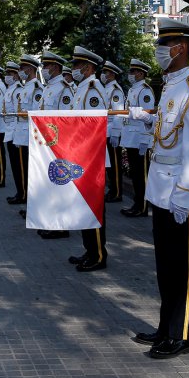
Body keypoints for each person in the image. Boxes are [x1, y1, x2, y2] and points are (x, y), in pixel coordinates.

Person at [129, 18, 189, 359]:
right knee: (165, 265)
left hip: (181, 195)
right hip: (161, 190)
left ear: (180, 48)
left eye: (164, 46)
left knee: (182, 268)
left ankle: (180, 336)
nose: (159, 52)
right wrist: (148, 118)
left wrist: (184, 195)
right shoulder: (170, 87)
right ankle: (165, 327)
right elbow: (167, 132)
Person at [67, 46, 109, 272]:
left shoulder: (93, 89)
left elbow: (95, 127)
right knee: (85, 207)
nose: (73, 69)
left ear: (89, 68)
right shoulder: (81, 88)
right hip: (81, 156)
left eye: (77, 65)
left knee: (93, 208)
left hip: (91, 158)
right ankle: (89, 249)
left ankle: (98, 255)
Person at [36, 51, 75, 240]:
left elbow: (67, 119)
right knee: (50, 185)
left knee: (60, 186)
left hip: (58, 144)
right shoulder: (49, 87)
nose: (44, 69)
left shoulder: (63, 88)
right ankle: (53, 222)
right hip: (47, 143)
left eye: (47, 66)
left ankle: (61, 226)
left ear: (56, 68)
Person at [120, 59, 155, 218]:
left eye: (133, 72)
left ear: (141, 73)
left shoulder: (145, 91)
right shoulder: (133, 89)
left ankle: (142, 206)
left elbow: (148, 115)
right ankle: (137, 203)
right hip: (131, 138)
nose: (130, 75)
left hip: (140, 139)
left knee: (142, 175)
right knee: (135, 174)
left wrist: (145, 140)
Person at [13, 54, 43, 213]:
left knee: (31, 172)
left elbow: (37, 114)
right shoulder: (27, 87)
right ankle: (27, 201)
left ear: (30, 69)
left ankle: (31, 204)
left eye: (22, 68)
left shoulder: (37, 88)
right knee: (24, 170)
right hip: (22, 133)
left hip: (29, 135)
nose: (20, 71)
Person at [102, 61, 126, 203]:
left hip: (112, 130)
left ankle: (117, 192)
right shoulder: (106, 88)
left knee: (115, 165)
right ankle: (112, 190)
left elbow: (118, 112)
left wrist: (116, 133)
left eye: (106, 73)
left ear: (112, 74)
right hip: (106, 130)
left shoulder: (115, 90)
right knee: (109, 165)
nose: (104, 75)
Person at [2, 61, 23, 204]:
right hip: (10, 130)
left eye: (10, 74)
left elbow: (18, 113)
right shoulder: (10, 89)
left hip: (17, 132)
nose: (7, 76)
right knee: (15, 166)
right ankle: (20, 192)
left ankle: (23, 194)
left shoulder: (18, 90)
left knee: (20, 167)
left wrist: (16, 134)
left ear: (16, 75)